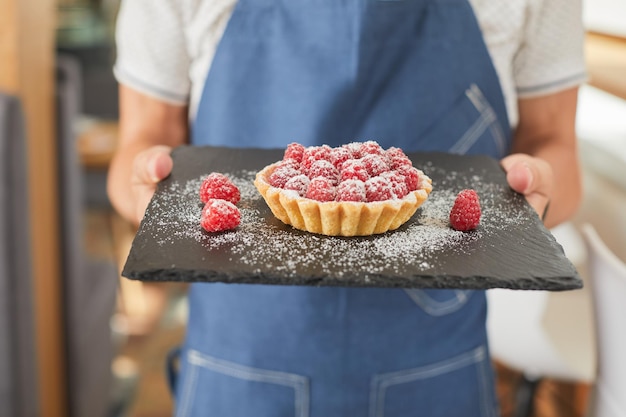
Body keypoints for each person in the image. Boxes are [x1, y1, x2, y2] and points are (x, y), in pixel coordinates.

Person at [108, 0, 586, 415]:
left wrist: (535, 192)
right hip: (237, 359)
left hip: (437, 365)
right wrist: (150, 194)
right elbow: (142, 140)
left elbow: (554, 143)